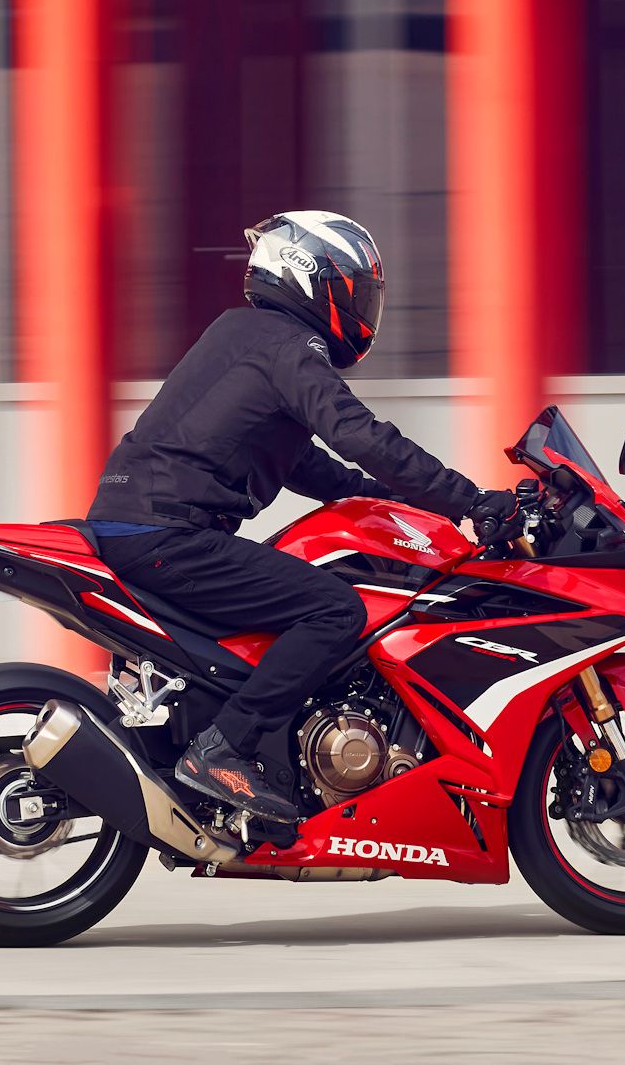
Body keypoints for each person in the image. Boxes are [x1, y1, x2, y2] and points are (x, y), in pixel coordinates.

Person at [86, 211, 523, 821]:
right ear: (313, 278)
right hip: (170, 535)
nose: (364, 306)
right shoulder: (288, 347)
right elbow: (361, 435)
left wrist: (390, 503)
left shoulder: (243, 335)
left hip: (139, 524)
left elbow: (307, 467)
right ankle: (221, 750)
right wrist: (469, 500)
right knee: (336, 609)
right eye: (355, 290)